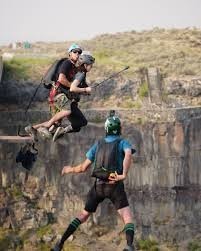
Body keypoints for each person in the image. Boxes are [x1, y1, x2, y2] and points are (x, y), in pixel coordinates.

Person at [51, 114, 135, 251]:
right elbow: (129, 153)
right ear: (119, 129)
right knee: (126, 216)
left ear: (106, 129)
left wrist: (69, 169)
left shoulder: (98, 144)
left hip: (98, 186)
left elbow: (83, 168)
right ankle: (129, 246)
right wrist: (123, 174)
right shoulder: (122, 142)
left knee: (83, 215)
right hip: (114, 186)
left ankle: (60, 243)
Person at [25, 43, 83, 140]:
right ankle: (43, 128)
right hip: (57, 94)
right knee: (67, 111)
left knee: (56, 123)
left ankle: (32, 128)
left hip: (57, 94)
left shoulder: (73, 67)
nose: (77, 54)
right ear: (70, 53)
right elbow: (61, 79)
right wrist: (72, 86)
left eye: (79, 52)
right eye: (75, 51)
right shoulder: (67, 63)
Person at [52, 53, 95, 142]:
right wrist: (85, 90)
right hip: (70, 101)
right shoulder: (81, 74)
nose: (92, 67)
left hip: (71, 101)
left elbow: (77, 88)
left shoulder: (79, 73)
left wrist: (85, 90)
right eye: (91, 65)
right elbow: (73, 88)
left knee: (78, 126)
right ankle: (61, 131)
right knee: (82, 122)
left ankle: (57, 131)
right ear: (85, 65)